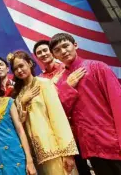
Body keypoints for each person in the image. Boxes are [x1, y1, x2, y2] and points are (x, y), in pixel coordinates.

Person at [49, 33, 121, 175]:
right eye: (57, 50)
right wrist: (68, 87)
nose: (63, 51)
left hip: (117, 144)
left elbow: (120, 104)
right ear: (55, 56)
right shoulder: (61, 82)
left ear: (75, 45)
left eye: (65, 46)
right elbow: (61, 114)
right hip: (92, 148)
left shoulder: (97, 67)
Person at [8, 50, 79, 175]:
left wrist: (68, 153)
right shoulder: (19, 94)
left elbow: (58, 117)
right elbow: (20, 124)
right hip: (36, 154)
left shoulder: (44, 84)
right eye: (15, 69)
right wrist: (23, 103)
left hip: (55, 149)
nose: (19, 70)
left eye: (21, 66)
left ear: (30, 63)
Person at [33, 40, 91, 175]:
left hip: (78, 125)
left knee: (87, 165)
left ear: (52, 52)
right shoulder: (39, 79)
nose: (43, 54)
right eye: (39, 53)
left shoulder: (66, 69)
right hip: (60, 131)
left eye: (45, 50)